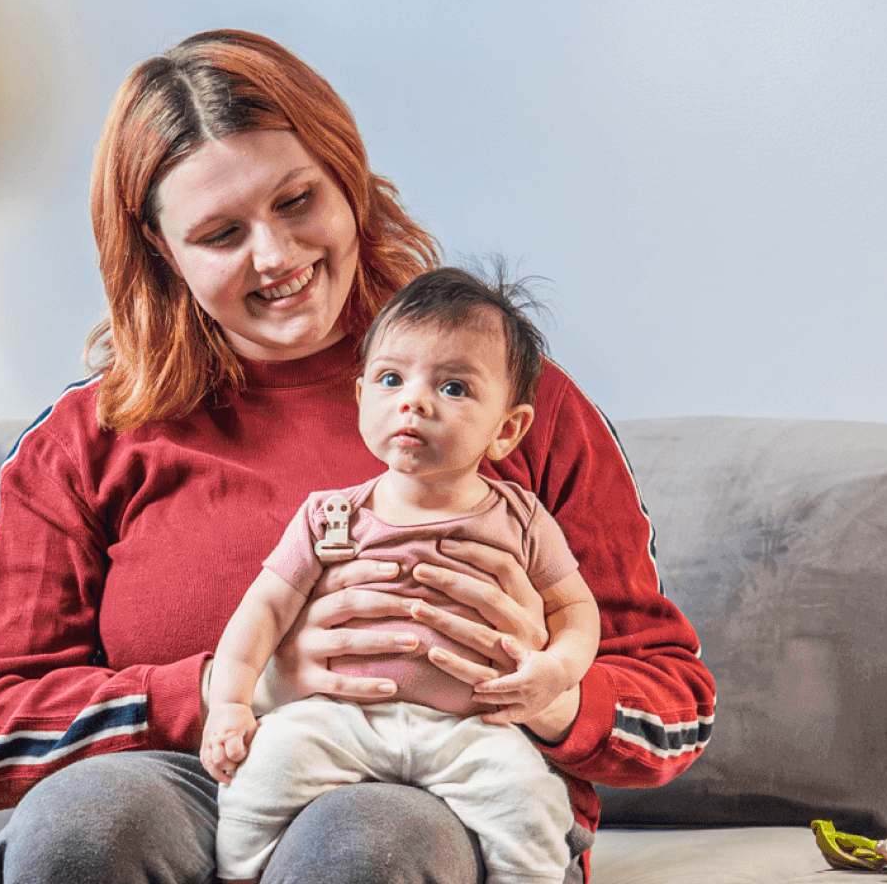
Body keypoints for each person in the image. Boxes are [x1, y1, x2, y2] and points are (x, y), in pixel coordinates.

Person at [0, 30, 715, 884]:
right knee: (82, 829)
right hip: (199, 774)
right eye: (222, 234)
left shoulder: (505, 401)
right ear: (162, 251)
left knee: (361, 845)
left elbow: (674, 702)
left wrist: (557, 697)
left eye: (298, 200)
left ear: (348, 178)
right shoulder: (86, 438)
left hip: (442, 787)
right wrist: (242, 686)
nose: (276, 256)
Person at [204, 267, 597, 884]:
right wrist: (229, 701)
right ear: (361, 399)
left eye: (455, 387)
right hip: (338, 720)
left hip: (470, 730)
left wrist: (558, 669)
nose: (414, 400)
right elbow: (264, 611)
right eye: (392, 379)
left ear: (507, 430)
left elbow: (575, 609)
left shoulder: (522, 517)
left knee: (530, 805)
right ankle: (237, 876)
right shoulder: (331, 514)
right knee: (260, 777)